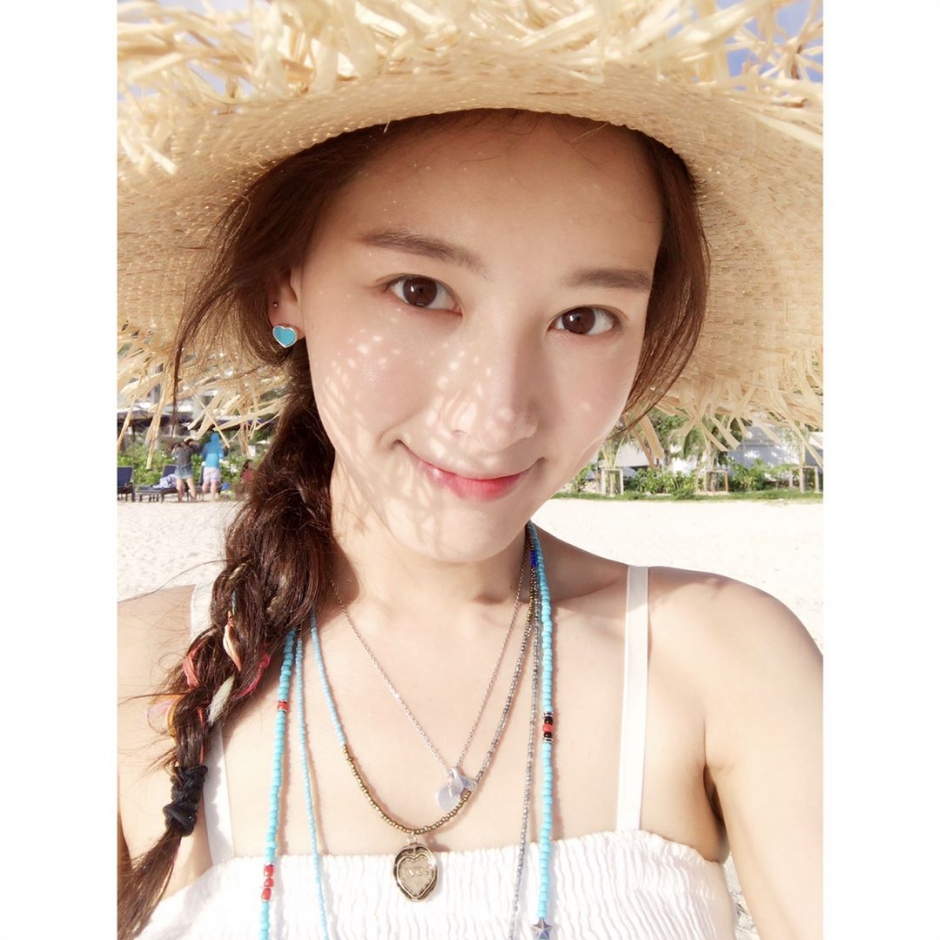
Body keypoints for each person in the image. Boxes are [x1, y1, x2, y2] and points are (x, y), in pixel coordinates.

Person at [117, 3, 822, 939]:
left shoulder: (722, 663)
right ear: (287, 280)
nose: (496, 414)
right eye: (421, 291)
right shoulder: (124, 679)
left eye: (583, 319)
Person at [169, 438, 197, 503]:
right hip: (187, 469)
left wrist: (174, 448)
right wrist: (192, 443)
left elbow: (172, 454)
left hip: (179, 468)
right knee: (191, 485)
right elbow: (198, 447)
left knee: (179, 485)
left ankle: (180, 499)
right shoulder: (190, 450)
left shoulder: (178, 450)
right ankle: (194, 499)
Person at [200, 432, 226, 501]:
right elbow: (221, 456)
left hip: (207, 466)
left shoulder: (206, 445)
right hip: (215, 466)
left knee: (205, 482)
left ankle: (202, 497)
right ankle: (212, 498)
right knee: (213, 482)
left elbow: (202, 455)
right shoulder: (219, 445)